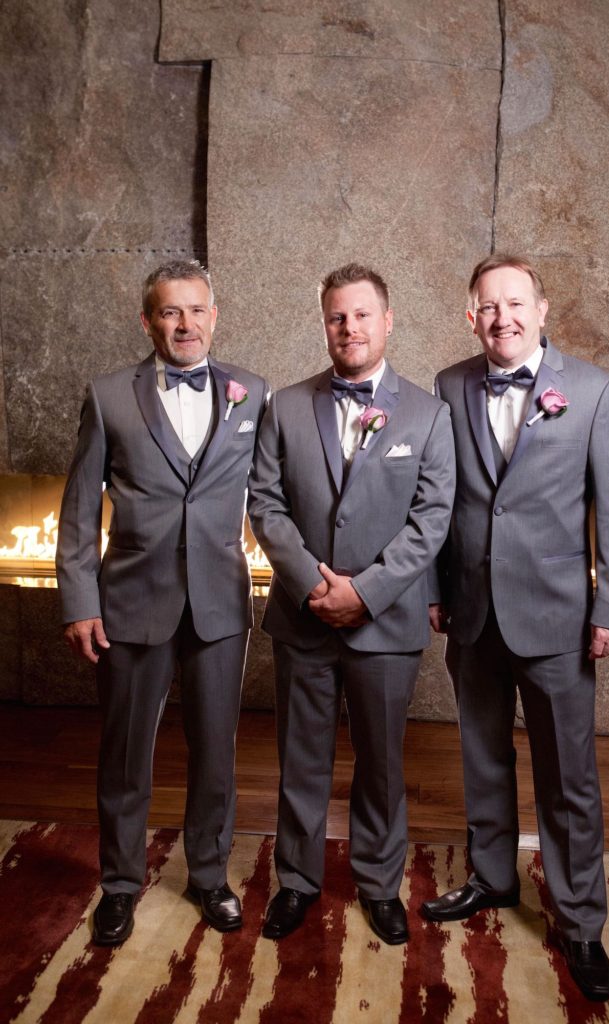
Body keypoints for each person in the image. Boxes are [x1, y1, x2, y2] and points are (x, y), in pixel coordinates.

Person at [422, 254, 609, 1001]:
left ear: (542, 310)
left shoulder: (593, 391)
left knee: (568, 779)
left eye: (516, 303)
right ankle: (492, 879)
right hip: (472, 611)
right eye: (488, 305)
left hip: (556, 615)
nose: (502, 317)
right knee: (482, 756)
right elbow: (436, 501)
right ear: (470, 315)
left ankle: (580, 920)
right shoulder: (448, 386)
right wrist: (433, 588)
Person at [56, 259, 268, 946]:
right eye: (171, 312)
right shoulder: (110, 394)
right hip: (129, 604)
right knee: (124, 755)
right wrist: (79, 601)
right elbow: (78, 509)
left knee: (215, 751)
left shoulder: (251, 393)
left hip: (218, 608)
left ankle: (208, 875)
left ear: (215, 314)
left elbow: (271, 500)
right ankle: (119, 884)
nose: (186, 324)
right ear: (148, 320)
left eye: (197, 310)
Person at [247, 262, 455, 945]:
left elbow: (431, 520)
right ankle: (298, 882)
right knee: (301, 758)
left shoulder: (428, 413)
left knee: (382, 762)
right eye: (338, 316)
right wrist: (313, 582)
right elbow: (266, 503)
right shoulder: (285, 405)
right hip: (303, 616)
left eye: (362, 314)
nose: (349, 327)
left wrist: (363, 593)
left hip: (386, 622)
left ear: (387, 320)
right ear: (324, 324)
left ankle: (377, 881)